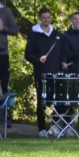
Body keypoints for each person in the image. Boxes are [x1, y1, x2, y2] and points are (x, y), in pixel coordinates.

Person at [25, 8, 68, 137]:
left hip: (57, 73)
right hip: (41, 72)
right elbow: (27, 54)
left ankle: (55, 126)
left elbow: (63, 53)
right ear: (40, 18)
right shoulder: (33, 35)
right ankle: (42, 129)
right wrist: (38, 59)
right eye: (44, 17)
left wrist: (64, 62)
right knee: (41, 100)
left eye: (48, 17)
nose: (46, 20)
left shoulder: (58, 35)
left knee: (59, 100)